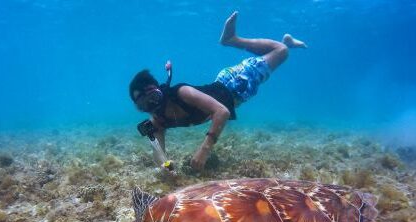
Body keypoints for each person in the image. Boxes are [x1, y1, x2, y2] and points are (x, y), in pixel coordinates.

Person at [129, 11, 307, 171]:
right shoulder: (158, 121)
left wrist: (204, 150)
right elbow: (159, 155)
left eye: (152, 97)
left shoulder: (182, 93)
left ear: (160, 89)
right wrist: (166, 168)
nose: (151, 106)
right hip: (230, 87)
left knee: (281, 52)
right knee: (273, 59)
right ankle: (288, 43)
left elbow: (222, 112)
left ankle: (232, 40)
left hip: (236, 83)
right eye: (143, 105)